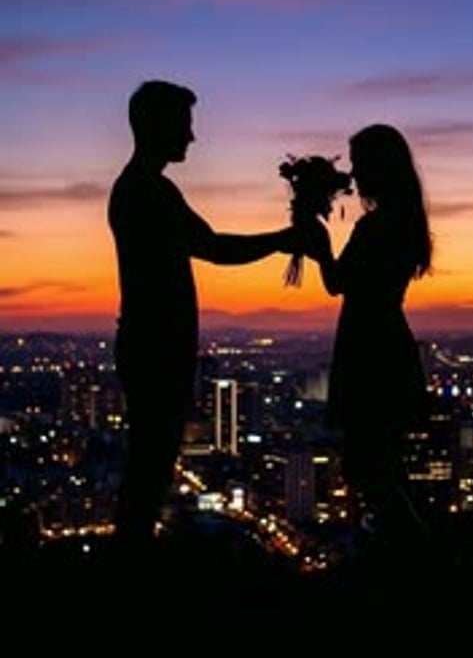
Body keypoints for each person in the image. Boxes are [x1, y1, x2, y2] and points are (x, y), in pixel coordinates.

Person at [108, 79, 295, 553]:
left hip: (152, 345)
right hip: (156, 350)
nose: (192, 137)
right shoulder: (148, 191)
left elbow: (207, 246)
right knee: (149, 472)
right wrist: (282, 240)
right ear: (158, 126)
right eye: (184, 125)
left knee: (148, 469)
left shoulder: (145, 189)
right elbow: (213, 248)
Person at [301, 123, 433, 558]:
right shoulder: (405, 221)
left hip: (369, 349)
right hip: (385, 343)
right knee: (379, 462)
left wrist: (317, 242)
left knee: (367, 464)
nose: (353, 174)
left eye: (358, 163)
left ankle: (411, 552)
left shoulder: (378, 226)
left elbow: (338, 283)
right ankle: (408, 551)